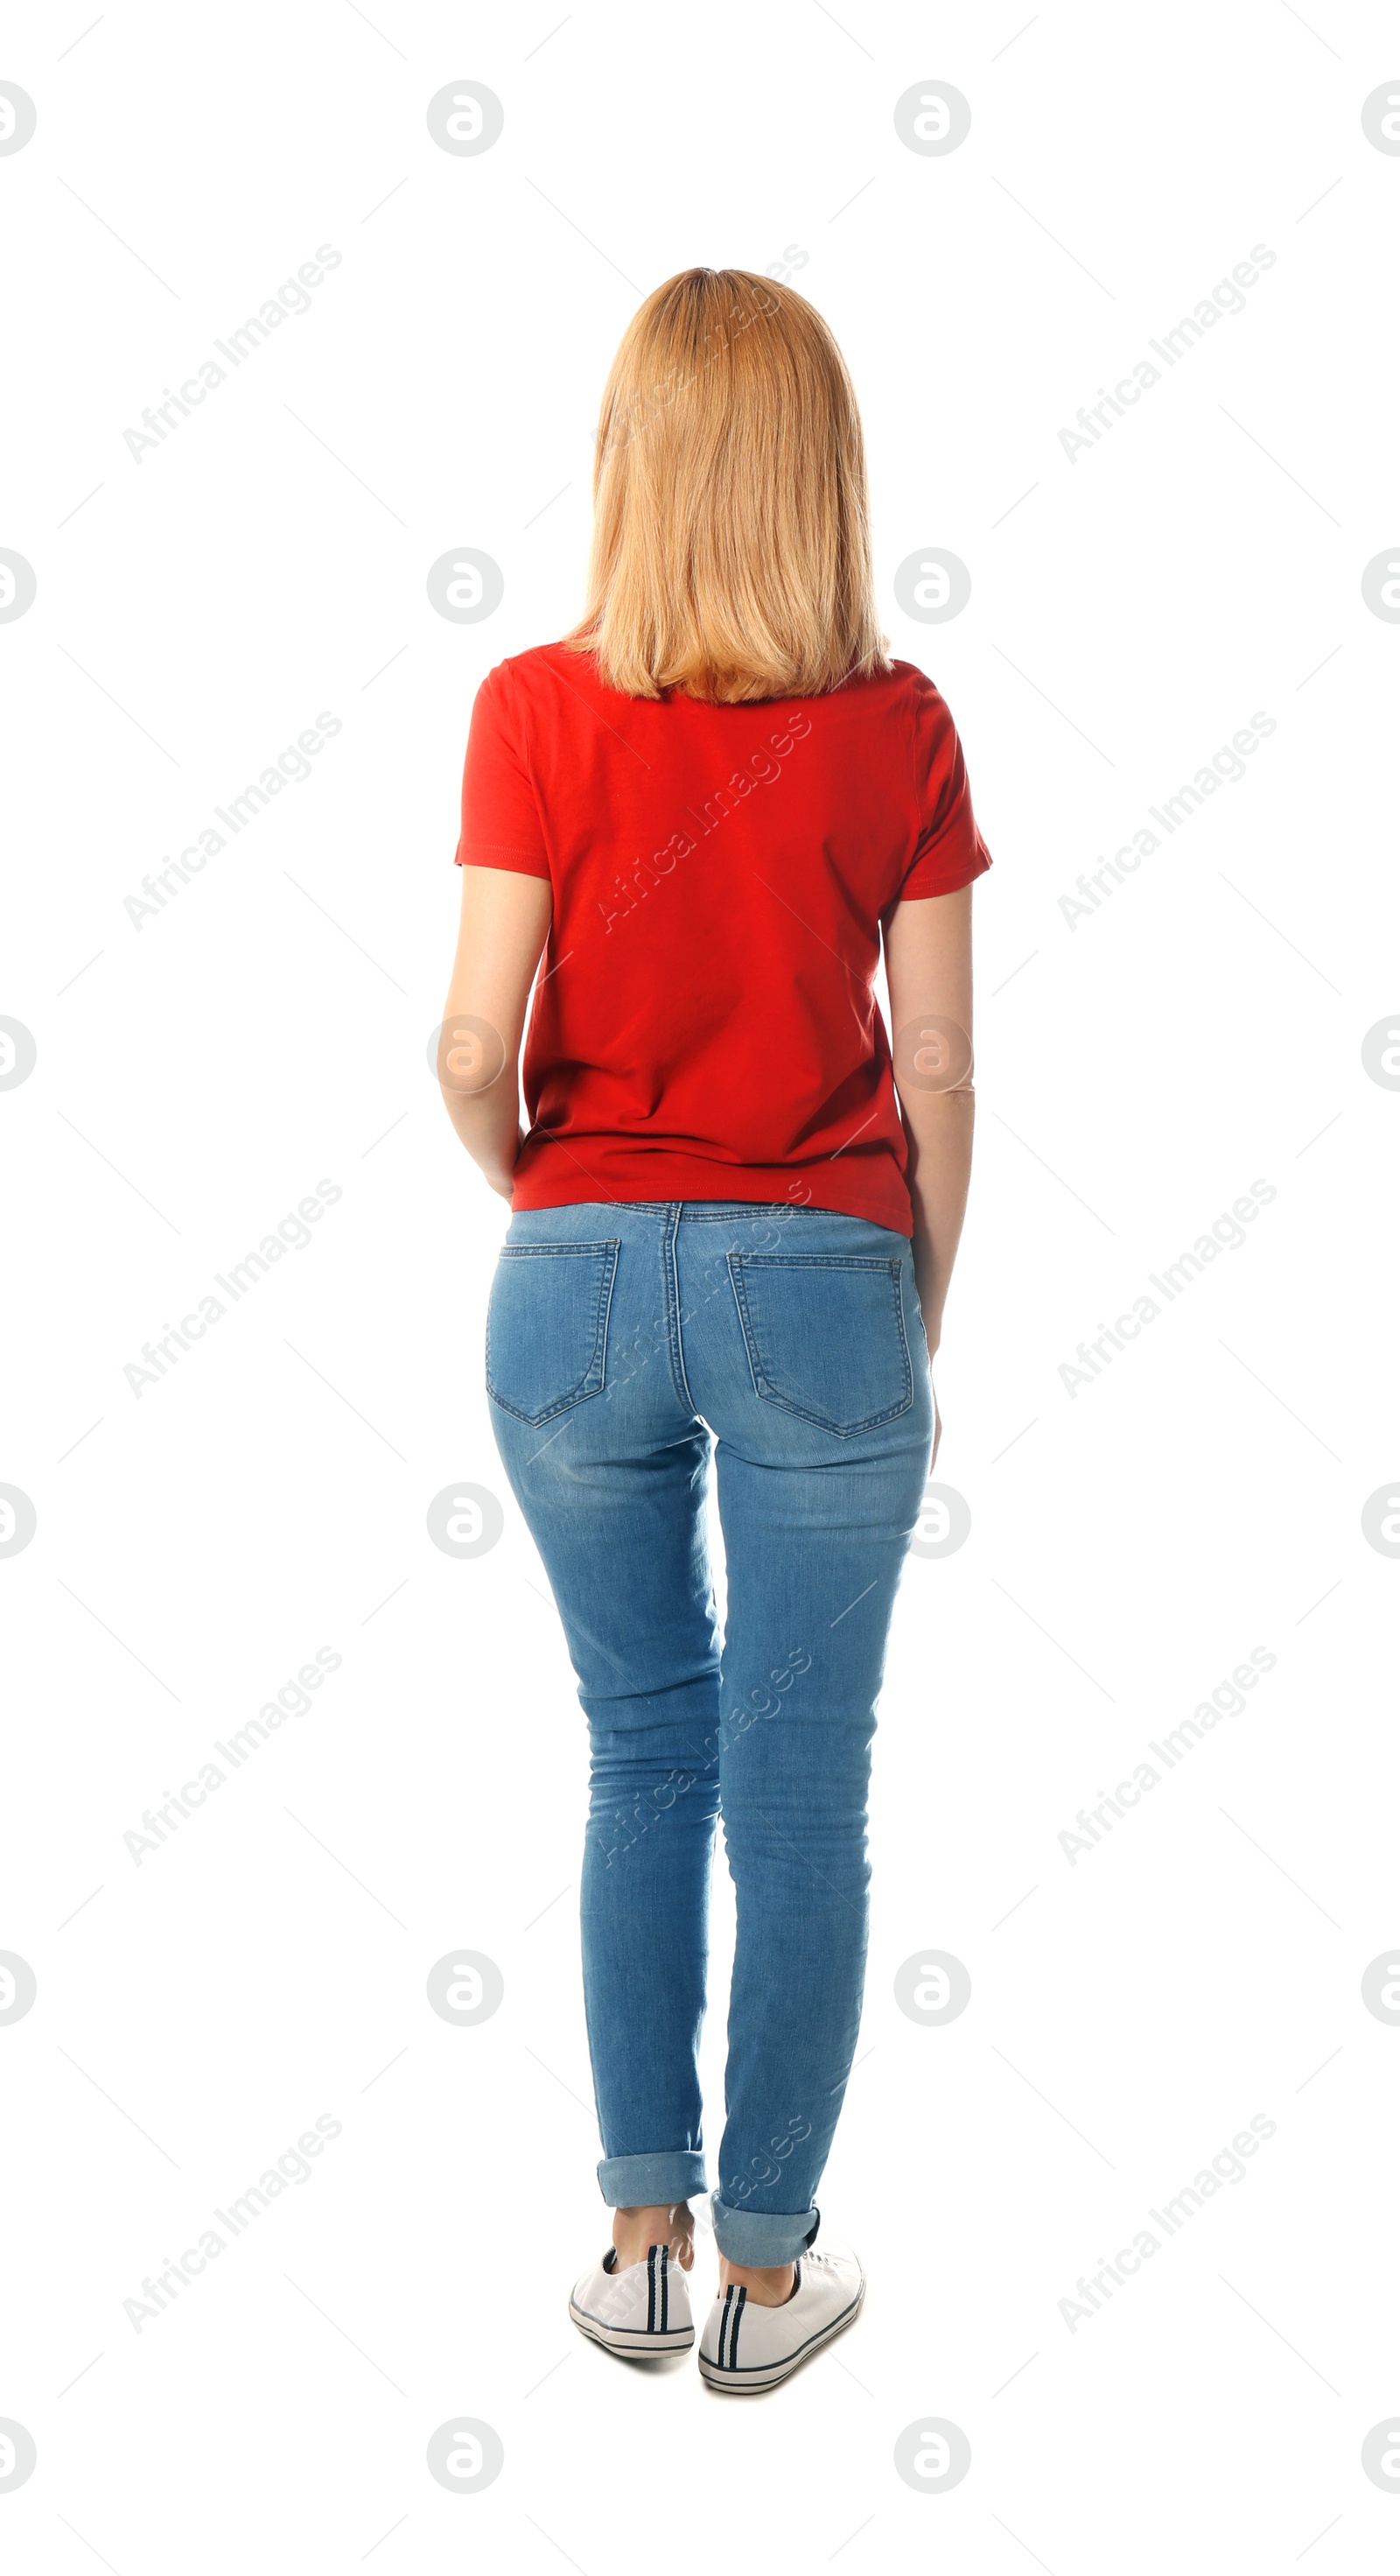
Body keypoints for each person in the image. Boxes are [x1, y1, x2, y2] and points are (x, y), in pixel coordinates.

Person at [438, 267, 990, 2391]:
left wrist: (543, 1191)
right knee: (799, 1781)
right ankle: (771, 2275)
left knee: (638, 1748)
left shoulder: (530, 706)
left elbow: (472, 1031)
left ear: (628, 471)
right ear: (818, 481)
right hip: (820, 1276)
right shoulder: (898, 723)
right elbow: (932, 1069)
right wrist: (903, 1297)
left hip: (568, 1277)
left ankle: (637, 2237)